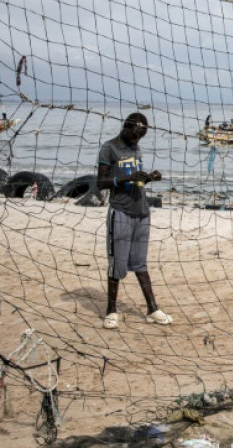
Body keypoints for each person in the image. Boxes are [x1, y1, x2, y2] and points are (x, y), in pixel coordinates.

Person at [96, 113, 171, 329]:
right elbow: (100, 182)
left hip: (141, 211)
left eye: (141, 137)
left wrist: (148, 178)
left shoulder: (136, 148)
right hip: (120, 211)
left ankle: (152, 308)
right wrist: (128, 178)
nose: (137, 139)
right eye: (135, 135)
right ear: (126, 127)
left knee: (140, 262)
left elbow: (136, 181)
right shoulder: (109, 148)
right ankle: (111, 311)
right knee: (117, 263)